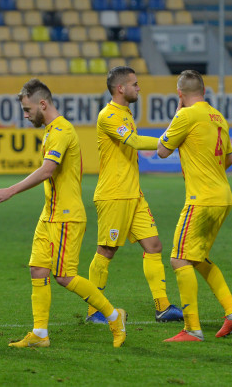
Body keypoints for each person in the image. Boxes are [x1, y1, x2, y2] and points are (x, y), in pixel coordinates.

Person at [0, 78, 127, 348]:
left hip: (67, 215)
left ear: (43, 104)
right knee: (38, 269)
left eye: (28, 110)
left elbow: (47, 171)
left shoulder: (62, 131)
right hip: (49, 214)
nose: (26, 116)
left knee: (64, 276)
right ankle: (40, 334)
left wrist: (11, 190)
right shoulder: (52, 131)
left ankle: (113, 316)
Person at [86, 66, 182, 324]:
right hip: (114, 195)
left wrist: (171, 133)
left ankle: (163, 307)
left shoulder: (125, 113)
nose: (139, 88)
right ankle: (95, 311)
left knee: (154, 246)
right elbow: (136, 142)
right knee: (106, 251)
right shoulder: (108, 115)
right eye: (135, 84)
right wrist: (167, 141)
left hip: (134, 194)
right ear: (121, 88)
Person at [156, 70, 232, 342]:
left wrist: (176, 113)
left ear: (180, 94)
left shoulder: (185, 115)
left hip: (202, 199)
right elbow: (228, 159)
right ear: (204, 92)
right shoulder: (218, 117)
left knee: (178, 259)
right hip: (223, 196)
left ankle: (192, 329)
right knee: (197, 257)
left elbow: (162, 151)